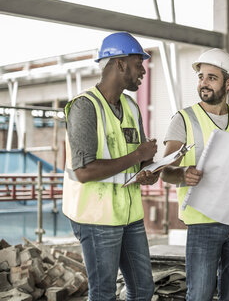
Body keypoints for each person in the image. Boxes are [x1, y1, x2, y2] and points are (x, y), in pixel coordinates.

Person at [63, 32, 159, 301]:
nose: (143, 70)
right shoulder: (84, 107)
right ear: (119, 64)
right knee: (104, 293)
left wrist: (149, 167)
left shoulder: (130, 106)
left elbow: (138, 158)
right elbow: (84, 172)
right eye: (138, 62)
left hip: (129, 215)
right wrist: (137, 155)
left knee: (143, 290)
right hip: (96, 218)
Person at [160, 48, 229, 301]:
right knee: (200, 295)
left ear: (228, 83)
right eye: (201, 77)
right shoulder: (184, 119)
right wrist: (182, 174)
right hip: (204, 222)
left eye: (211, 78)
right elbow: (165, 171)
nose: (203, 83)